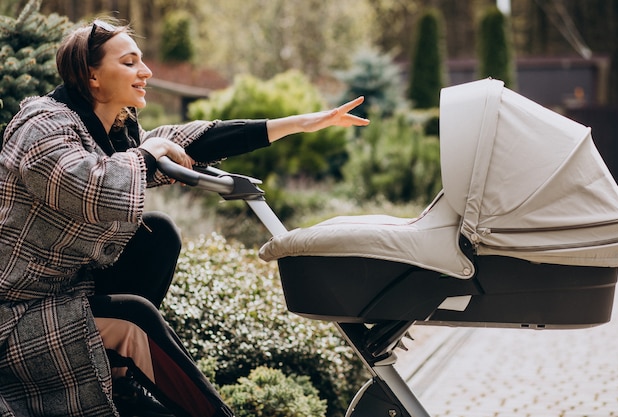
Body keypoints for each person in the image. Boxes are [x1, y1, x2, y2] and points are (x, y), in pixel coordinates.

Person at [0, 17, 369, 417]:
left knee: (158, 234)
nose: (146, 71)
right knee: (134, 318)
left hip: (69, 292)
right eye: (129, 62)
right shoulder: (42, 126)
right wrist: (149, 153)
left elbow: (195, 138)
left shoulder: (110, 131)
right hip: (16, 313)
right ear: (92, 76)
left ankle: (120, 380)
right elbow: (96, 188)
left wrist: (303, 123)